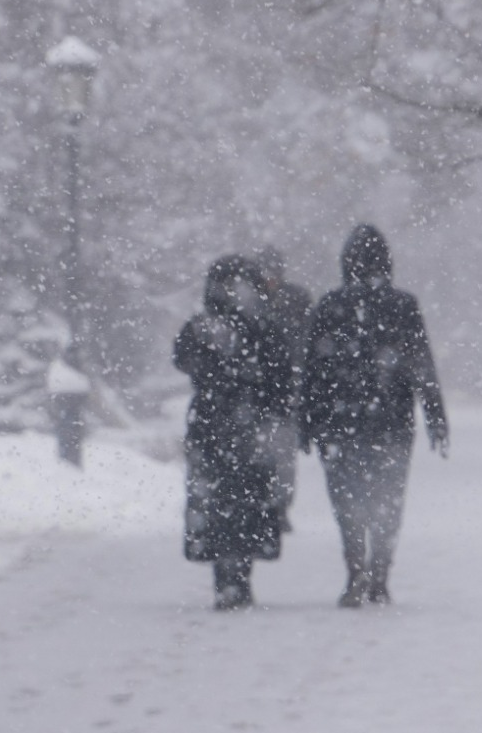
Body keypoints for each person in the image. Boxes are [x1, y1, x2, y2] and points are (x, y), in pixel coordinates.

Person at [301, 224, 449, 608]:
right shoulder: (403, 305)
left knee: (347, 501)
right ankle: (380, 574)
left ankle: (355, 571)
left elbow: (313, 371)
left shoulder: (329, 306)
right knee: (388, 499)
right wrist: (435, 417)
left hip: (340, 423)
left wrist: (307, 421)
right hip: (391, 422)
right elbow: (422, 366)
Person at [174, 255, 294, 610]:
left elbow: (182, 359)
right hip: (250, 428)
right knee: (248, 501)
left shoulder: (203, 326)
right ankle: (239, 574)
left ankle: (225, 576)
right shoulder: (264, 327)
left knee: (217, 501)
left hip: (212, 424)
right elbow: (281, 377)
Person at [251, 246, 314, 533]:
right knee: (261, 454)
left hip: (286, 392)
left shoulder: (297, 300)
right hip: (260, 395)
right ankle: (264, 504)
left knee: (284, 456)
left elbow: (308, 341)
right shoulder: (250, 304)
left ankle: (279, 506)